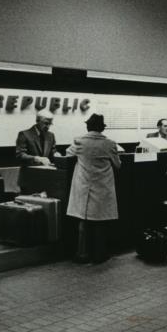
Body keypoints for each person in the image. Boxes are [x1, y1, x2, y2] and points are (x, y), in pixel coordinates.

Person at [66, 113, 121, 264]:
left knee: (83, 220)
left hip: (84, 186)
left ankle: (82, 253)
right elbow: (118, 165)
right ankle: (99, 254)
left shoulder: (79, 142)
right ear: (102, 128)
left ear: (88, 126)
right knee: (100, 221)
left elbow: (68, 154)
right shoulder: (110, 144)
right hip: (103, 186)